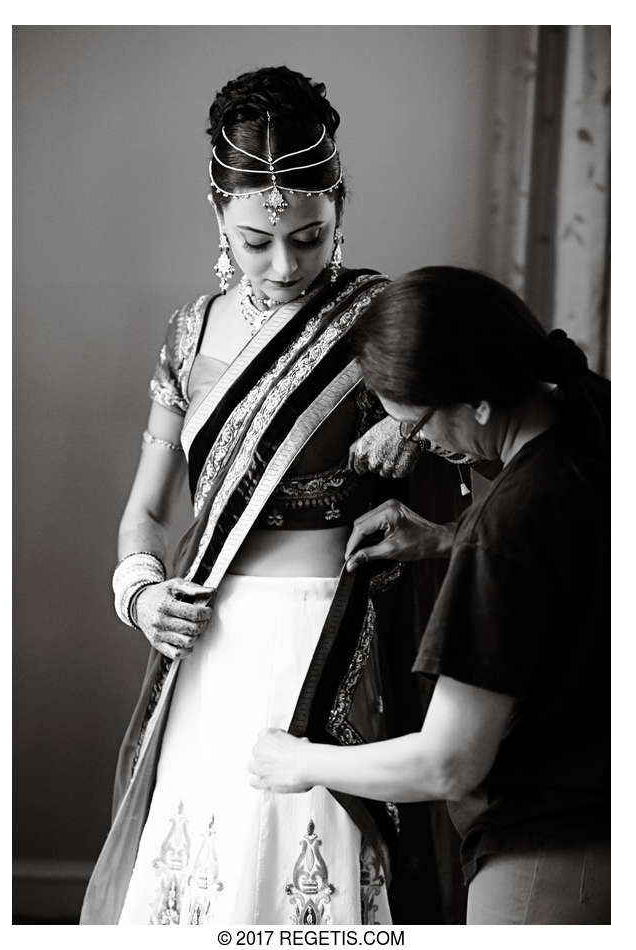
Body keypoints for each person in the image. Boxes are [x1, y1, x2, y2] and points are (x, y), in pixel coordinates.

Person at [80, 70, 466, 926]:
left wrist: (413, 422)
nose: (287, 263)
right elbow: (147, 511)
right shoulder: (188, 335)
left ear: (338, 209)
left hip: (333, 639)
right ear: (218, 214)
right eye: (258, 241)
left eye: (310, 237)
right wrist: (140, 594)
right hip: (208, 642)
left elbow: (484, 446)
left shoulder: (379, 319)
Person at [250, 266, 610, 925]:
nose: (417, 444)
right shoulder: (593, 421)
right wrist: (449, 538)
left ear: (475, 399)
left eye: (415, 426)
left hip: (553, 855)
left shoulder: (512, 519)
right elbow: (576, 567)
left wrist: (299, 760)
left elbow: (448, 763)